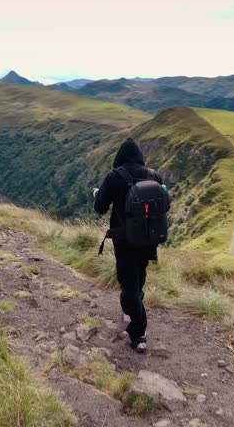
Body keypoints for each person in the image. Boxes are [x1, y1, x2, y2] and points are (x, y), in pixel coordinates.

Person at [93, 138, 164, 353]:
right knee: (138, 279)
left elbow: (100, 208)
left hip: (124, 241)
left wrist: (98, 193)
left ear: (120, 157)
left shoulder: (114, 177)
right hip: (148, 240)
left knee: (128, 287)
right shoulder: (154, 175)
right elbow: (164, 205)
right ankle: (135, 309)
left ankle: (138, 332)